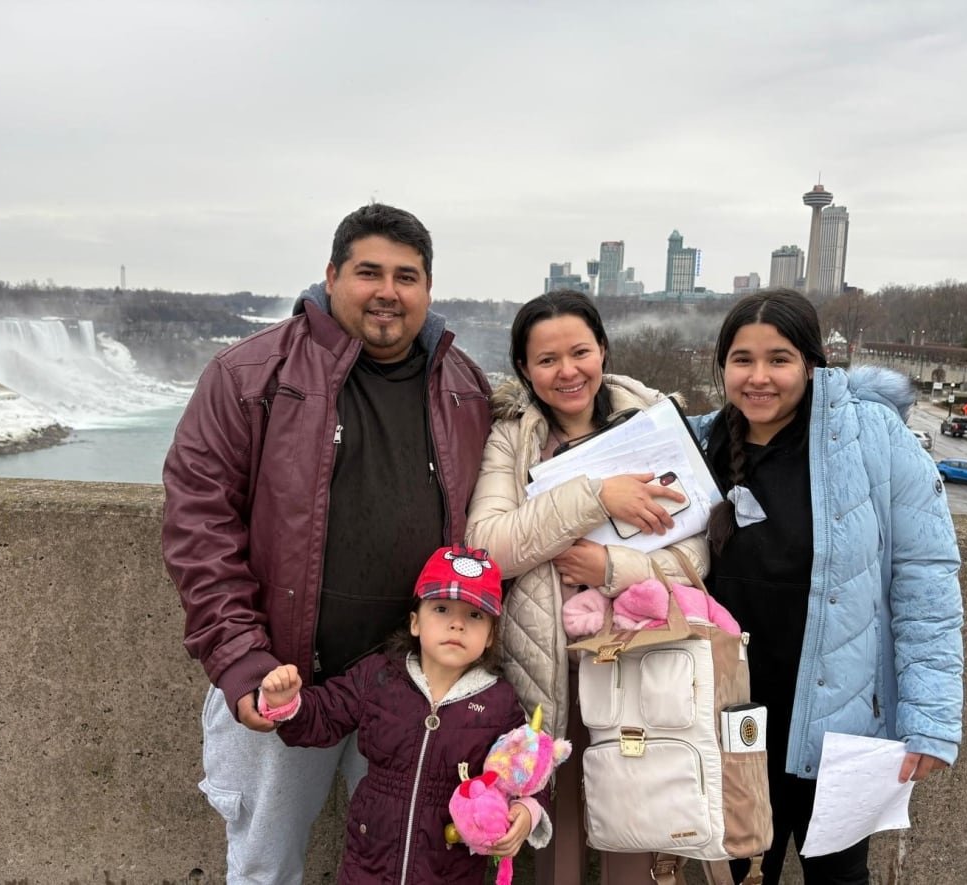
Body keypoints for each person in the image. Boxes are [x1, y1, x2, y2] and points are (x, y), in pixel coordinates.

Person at [161, 203, 492, 885]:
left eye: (406, 276)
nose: (387, 291)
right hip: (288, 678)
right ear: (331, 274)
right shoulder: (248, 376)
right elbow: (199, 529)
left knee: (405, 867)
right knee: (265, 867)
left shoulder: (463, 388)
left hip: (414, 687)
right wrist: (244, 662)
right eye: (368, 271)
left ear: (428, 290)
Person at [698, 288, 963, 885]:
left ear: (812, 363)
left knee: (840, 877)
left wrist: (930, 720)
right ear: (722, 367)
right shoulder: (702, 444)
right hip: (731, 722)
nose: (759, 377)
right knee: (731, 875)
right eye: (742, 359)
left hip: (841, 722)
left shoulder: (874, 438)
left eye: (780, 359)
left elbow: (925, 585)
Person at [465, 289, 709, 884]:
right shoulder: (511, 436)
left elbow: (696, 556)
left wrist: (610, 568)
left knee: (636, 827)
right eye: (547, 360)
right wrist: (597, 495)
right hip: (547, 666)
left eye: (580, 352)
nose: (567, 371)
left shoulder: (656, 419)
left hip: (640, 661)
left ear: (603, 349)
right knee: (556, 841)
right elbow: (488, 547)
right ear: (524, 369)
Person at [256, 545, 551, 884]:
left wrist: (526, 813)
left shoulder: (499, 702)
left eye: (474, 615)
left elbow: (528, 771)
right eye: (441, 609)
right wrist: (285, 703)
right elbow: (324, 714)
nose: (456, 624)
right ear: (415, 622)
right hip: (368, 866)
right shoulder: (379, 677)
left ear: (490, 637)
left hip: (450, 869)